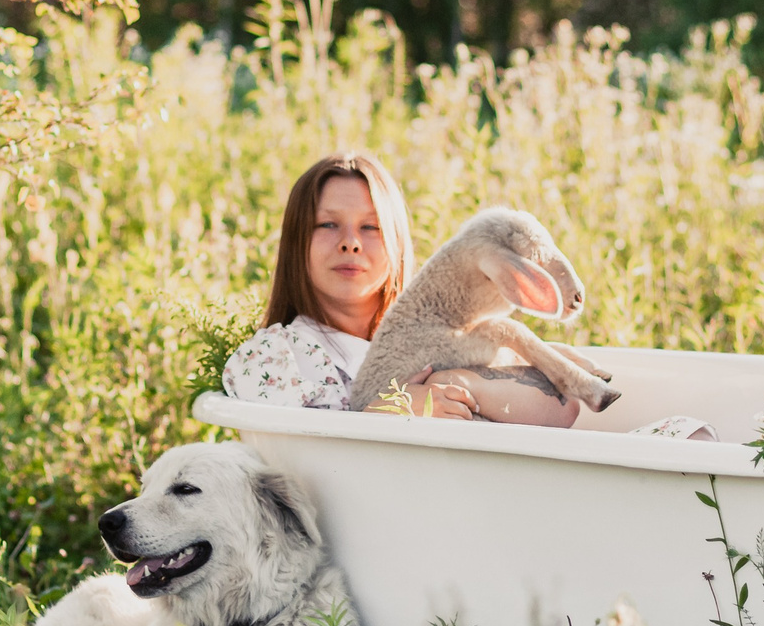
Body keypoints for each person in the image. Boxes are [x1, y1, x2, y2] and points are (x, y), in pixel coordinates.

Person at [221, 150, 581, 425]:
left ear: (397, 244)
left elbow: (566, 408)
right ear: (297, 241)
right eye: (328, 225)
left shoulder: (449, 338)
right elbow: (299, 461)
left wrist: (457, 382)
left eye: (370, 228)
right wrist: (392, 408)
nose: (350, 243)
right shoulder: (273, 356)